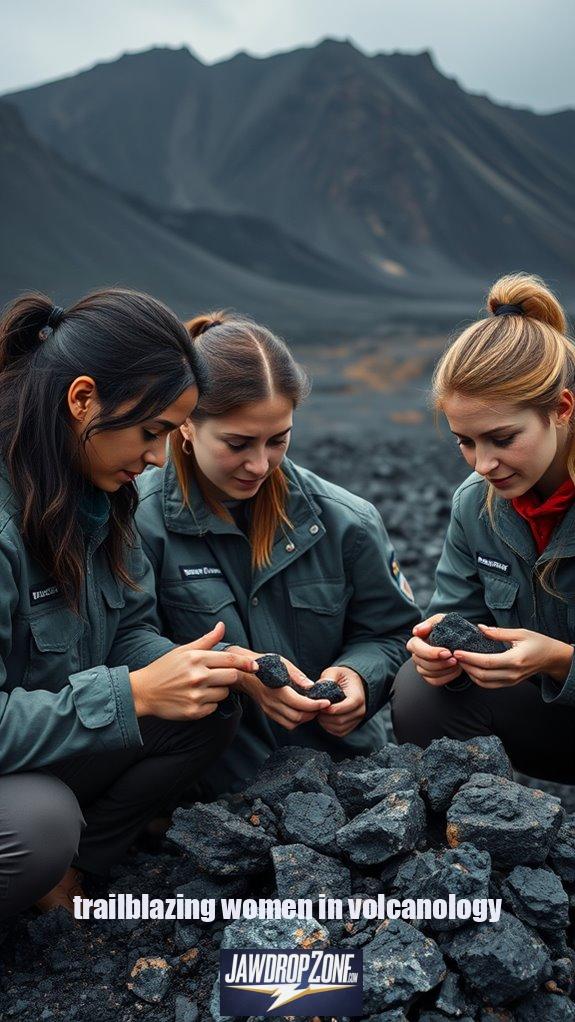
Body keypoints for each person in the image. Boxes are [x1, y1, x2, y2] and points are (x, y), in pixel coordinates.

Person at [0, 290, 258, 919]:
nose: (157, 458)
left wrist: (200, 667)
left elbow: (129, 628)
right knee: (40, 824)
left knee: (209, 703)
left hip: (34, 750)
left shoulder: (98, 498)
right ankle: (43, 868)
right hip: (21, 776)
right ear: (82, 399)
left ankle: (72, 874)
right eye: (151, 432)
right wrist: (134, 695)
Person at [135, 312, 420, 796]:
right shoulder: (137, 522)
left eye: (278, 440)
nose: (259, 464)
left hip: (343, 781)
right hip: (202, 791)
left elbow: (392, 633)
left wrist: (359, 677)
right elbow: (125, 644)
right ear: (186, 424)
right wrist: (240, 672)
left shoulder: (346, 521)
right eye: (238, 443)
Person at [391, 273, 575, 783]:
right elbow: (454, 614)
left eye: (501, 438)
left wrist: (560, 661)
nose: (483, 464)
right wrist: (437, 653)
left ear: (561, 409)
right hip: (553, 725)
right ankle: (493, 830)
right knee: (419, 693)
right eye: (466, 441)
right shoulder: (477, 507)